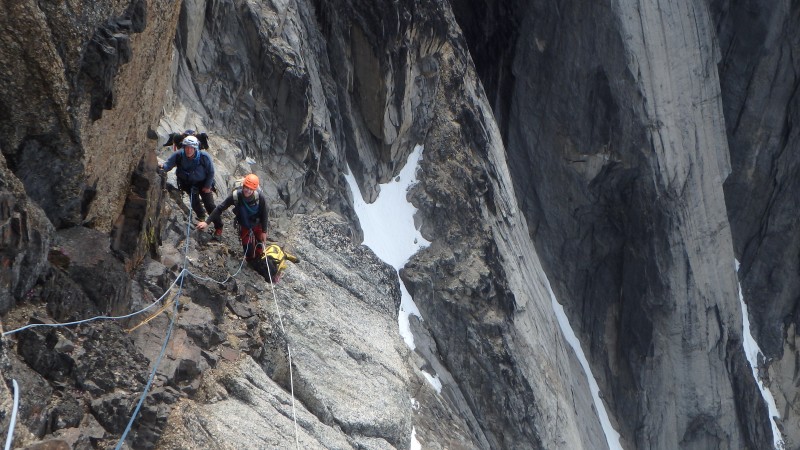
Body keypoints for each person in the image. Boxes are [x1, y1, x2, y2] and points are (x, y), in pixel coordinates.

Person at [196, 174, 276, 281]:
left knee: (260, 247)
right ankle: (252, 264)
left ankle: (260, 261)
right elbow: (220, 208)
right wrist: (207, 222)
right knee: (248, 251)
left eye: (250, 189)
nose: (247, 191)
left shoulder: (260, 197)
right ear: (243, 186)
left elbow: (265, 214)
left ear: (254, 189)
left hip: (258, 225)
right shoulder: (236, 196)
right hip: (244, 226)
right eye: (246, 187)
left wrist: (264, 232)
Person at [159, 135, 223, 236]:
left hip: (203, 183)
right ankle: (201, 217)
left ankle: (219, 226)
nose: (188, 150)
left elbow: (211, 172)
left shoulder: (204, 157)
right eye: (187, 147)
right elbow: (168, 165)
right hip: (188, 183)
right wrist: (163, 168)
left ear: (195, 148)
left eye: (191, 148)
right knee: (194, 202)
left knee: (210, 205)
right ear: (184, 147)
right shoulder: (179, 155)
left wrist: (207, 186)